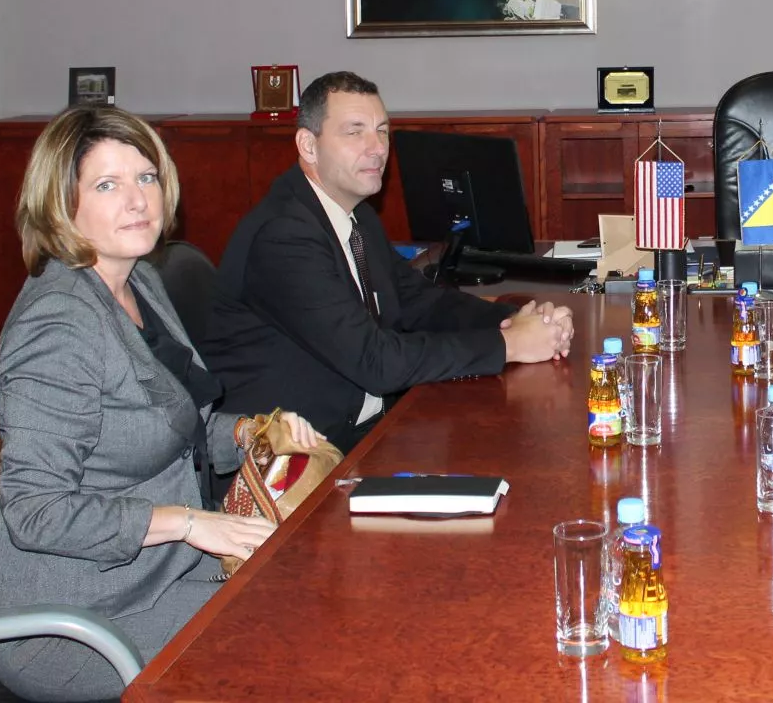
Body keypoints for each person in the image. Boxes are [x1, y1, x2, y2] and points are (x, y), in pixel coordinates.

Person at [0, 106, 327, 703]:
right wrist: (190, 522)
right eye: (106, 185)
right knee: (289, 636)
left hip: (156, 574)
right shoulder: (57, 326)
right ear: (60, 205)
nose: (137, 200)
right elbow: (35, 512)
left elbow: (169, 426)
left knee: (313, 583)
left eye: (146, 177)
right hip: (72, 619)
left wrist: (248, 432)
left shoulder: (137, 280)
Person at [200, 71, 575, 451]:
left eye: (382, 131)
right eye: (355, 132)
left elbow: (419, 301)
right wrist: (508, 344)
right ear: (308, 145)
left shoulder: (357, 216)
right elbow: (375, 362)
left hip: (371, 429)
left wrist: (519, 320)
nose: (377, 147)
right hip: (304, 455)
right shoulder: (282, 237)